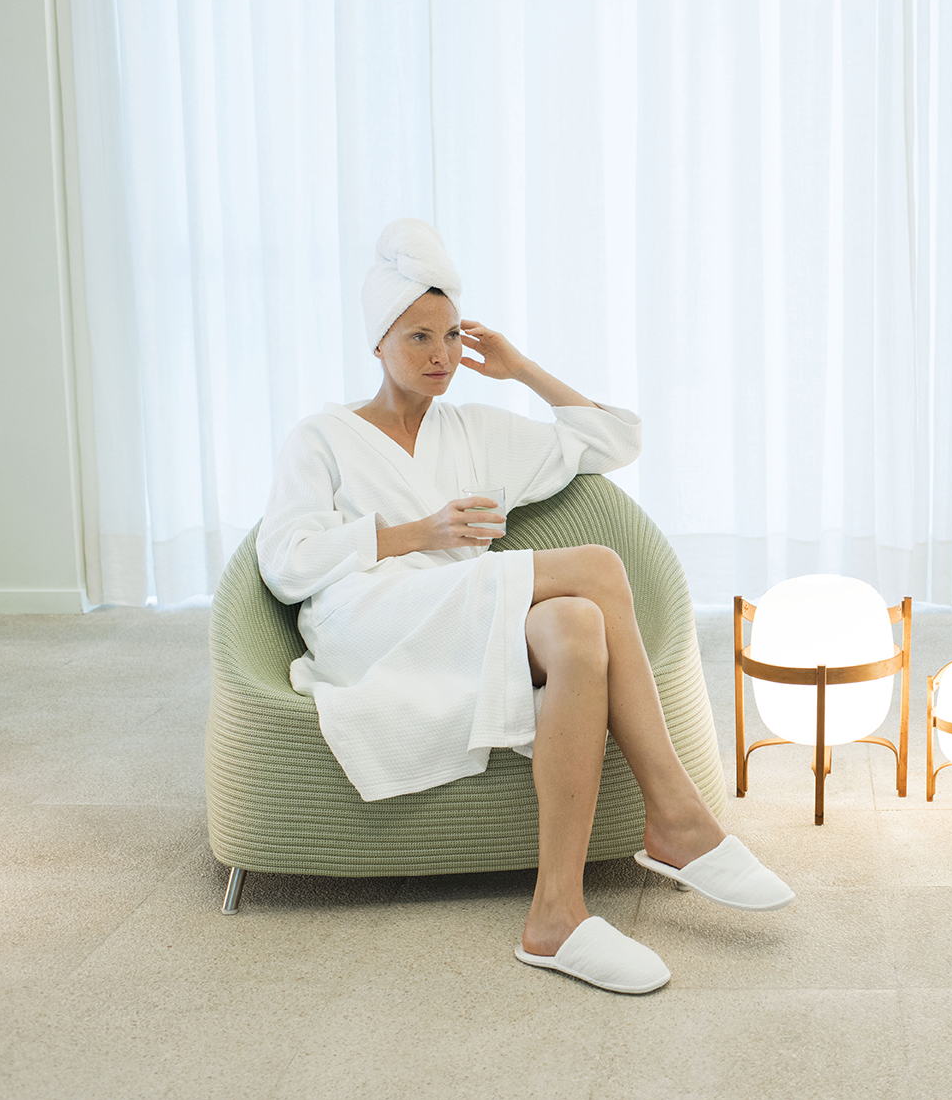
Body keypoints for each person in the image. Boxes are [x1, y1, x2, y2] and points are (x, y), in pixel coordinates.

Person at [257, 218, 790, 995]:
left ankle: (556, 915)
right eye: (417, 338)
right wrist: (417, 532)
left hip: (461, 613)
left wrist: (521, 368)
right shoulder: (324, 437)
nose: (440, 356)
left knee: (576, 625)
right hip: (368, 620)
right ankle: (676, 815)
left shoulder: (473, 430)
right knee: (600, 569)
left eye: (449, 337)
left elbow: (615, 438)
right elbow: (283, 562)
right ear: (376, 343)